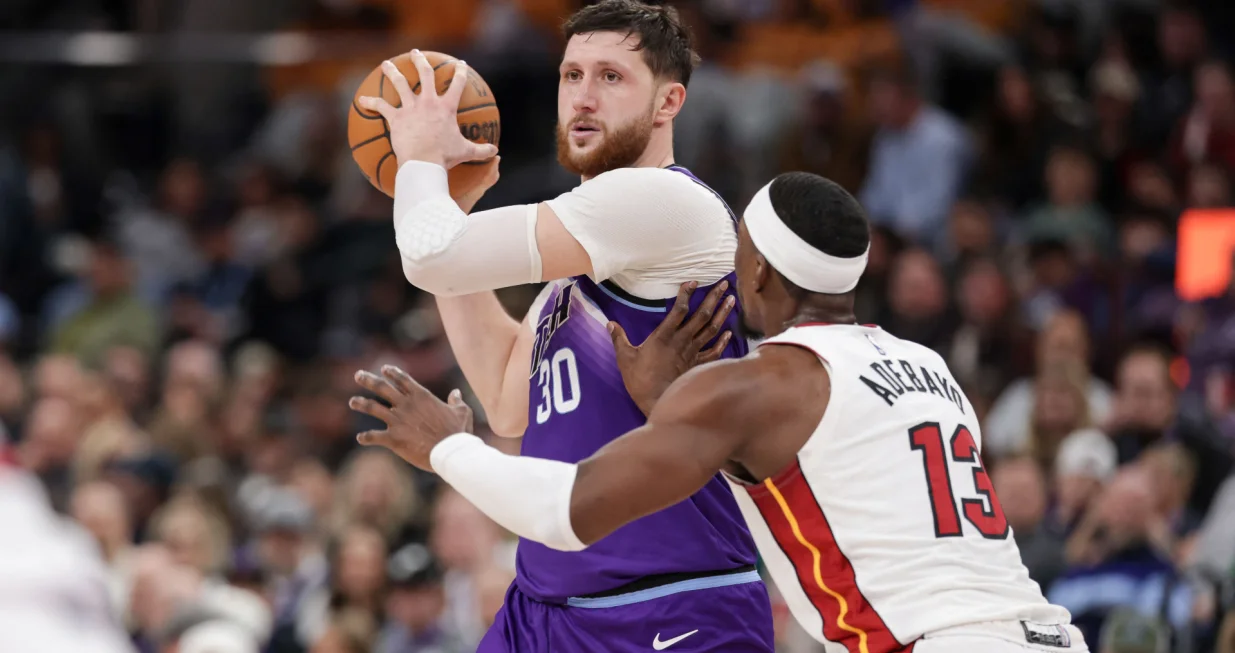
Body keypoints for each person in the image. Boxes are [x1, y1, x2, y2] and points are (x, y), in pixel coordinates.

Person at [350, 172, 1090, 652]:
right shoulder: (929, 367)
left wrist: (446, 446)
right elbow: (835, 473)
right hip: (1044, 631)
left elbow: (562, 512)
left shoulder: (754, 386)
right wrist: (666, 405)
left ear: (757, 269)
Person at [356, 0, 772, 650]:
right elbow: (505, 401)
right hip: (546, 604)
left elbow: (430, 256)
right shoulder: (572, 276)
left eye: (610, 77)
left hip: (669, 600)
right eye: (570, 75)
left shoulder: (660, 202)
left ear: (668, 103)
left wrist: (419, 159)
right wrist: (458, 207)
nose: (582, 96)